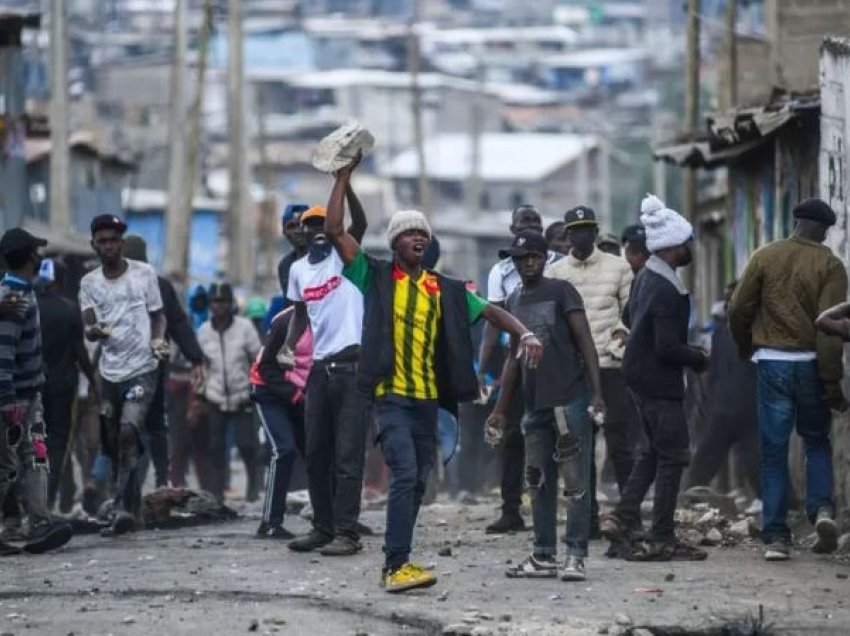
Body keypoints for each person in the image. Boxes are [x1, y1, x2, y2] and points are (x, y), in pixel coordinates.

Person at [326, 158, 543, 593]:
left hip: (429, 403)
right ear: (395, 243)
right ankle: (395, 565)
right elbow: (335, 231)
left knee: (418, 481)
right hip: (390, 399)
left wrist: (525, 333)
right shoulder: (375, 276)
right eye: (410, 233)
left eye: (423, 232)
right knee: (405, 474)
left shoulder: (442, 288)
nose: (419, 237)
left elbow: (492, 311)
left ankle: (399, 561)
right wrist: (343, 179)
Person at [728, 198, 847, 561]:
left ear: (795, 223)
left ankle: (777, 536)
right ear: (824, 230)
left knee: (774, 451)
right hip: (811, 364)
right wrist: (831, 384)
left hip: (773, 363)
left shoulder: (765, 255)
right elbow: (828, 330)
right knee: (816, 442)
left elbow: (737, 308)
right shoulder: (830, 264)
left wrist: (746, 347)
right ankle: (822, 511)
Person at [486, 231, 605, 582]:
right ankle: (543, 555)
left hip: (569, 398)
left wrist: (597, 394)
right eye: (522, 259)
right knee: (537, 481)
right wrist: (500, 407)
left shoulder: (562, 291)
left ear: (545, 258)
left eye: (535, 256)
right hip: (534, 404)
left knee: (576, 482)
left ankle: (575, 555)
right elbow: (512, 357)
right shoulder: (514, 298)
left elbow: (586, 342)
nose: (529, 263)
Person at [600, 195, 709, 562]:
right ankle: (662, 535)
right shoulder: (670, 289)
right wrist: (697, 357)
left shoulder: (647, 276)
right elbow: (666, 346)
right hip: (657, 381)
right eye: (687, 243)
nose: (691, 248)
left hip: (638, 375)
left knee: (651, 451)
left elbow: (633, 319)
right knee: (673, 456)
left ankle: (623, 514)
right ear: (674, 247)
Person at [284, 187, 370, 557]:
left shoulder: (346, 259)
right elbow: (300, 313)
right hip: (320, 368)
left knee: (347, 455)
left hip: (353, 367)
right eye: (311, 225)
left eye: (323, 223)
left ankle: (347, 533)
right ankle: (322, 527)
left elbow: (361, 222)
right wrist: (288, 347)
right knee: (316, 451)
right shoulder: (298, 270)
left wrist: (345, 185)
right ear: (300, 234)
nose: (318, 229)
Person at [547, 206, 636, 537]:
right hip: (575, 372)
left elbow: (632, 312)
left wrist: (622, 336)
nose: (581, 235)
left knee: (620, 445)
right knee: (579, 449)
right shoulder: (556, 274)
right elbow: (553, 322)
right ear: (567, 235)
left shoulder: (619, 267)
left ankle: (628, 516)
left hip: (611, 367)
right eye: (575, 230)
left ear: (595, 233)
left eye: (587, 229)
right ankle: (587, 519)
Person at [80, 215, 167, 536]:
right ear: (94, 245)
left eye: (114, 239)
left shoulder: (144, 274)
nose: (108, 246)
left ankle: (120, 507)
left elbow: (158, 316)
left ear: (122, 242)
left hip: (143, 369)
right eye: (102, 241)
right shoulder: (89, 284)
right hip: (109, 373)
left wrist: (158, 340)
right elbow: (88, 326)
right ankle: (129, 506)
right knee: (112, 439)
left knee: (130, 431)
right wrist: (95, 329)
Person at [479, 204, 561, 534]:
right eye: (524, 221)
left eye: (536, 221)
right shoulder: (500, 271)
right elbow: (492, 322)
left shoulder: (557, 266)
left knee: (553, 434)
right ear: (512, 230)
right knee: (512, 436)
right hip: (514, 359)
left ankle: (550, 506)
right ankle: (510, 509)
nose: (531, 225)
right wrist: (481, 368)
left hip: (553, 359)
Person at [0, 229, 73, 555]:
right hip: (14, 397)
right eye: (36, 252)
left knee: (33, 456)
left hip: (28, 394)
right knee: (8, 463)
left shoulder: (20, 294)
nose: (39, 257)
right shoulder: (12, 300)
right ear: (29, 257)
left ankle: (39, 521)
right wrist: (6, 400)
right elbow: (3, 353)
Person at [122, 235, 204, 489]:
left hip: (120, 369)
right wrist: (196, 357)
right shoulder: (159, 285)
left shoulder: (112, 284)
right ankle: (158, 481)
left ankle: (118, 482)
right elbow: (179, 325)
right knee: (154, 426)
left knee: (123, 425)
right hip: (152, 368)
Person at [687, 282, 759, 496]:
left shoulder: (756, 332)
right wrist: (709, 400)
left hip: (748, 407)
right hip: (722, 406)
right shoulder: (721, 332)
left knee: (756, 460)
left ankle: (785, 505)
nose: (727, 305)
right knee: (707, 456)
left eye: (732, 300)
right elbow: (715, 371)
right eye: (726, 301)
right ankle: (690, 494)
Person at [36, 260, 95, 511]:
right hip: (63, 387)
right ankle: (49, 500)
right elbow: (80, 352)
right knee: (60, 443)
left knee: (36, 442)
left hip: (34, 387)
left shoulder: (28, 307)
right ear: (62, 281)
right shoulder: (70, 309)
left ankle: (35, 501)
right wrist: (94, 380)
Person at [197, 282, 262, 502]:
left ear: (230, 304)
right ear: (209, 305)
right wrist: (199, 396)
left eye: (223, 302)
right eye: (215, 302)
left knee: (246, 444)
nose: (219, 306)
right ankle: (217, 490)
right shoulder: (204, 331)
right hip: (214, 395)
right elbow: (201, 366)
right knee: (216, 446)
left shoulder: (244, 328)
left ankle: (253, 486)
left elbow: (257, 358)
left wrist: (255, 386)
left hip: (241, 394)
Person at [252, 307, 312, 539]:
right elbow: (266, 367)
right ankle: (269, 522)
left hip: (301, 392)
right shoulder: (284, 322)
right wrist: (294, 394)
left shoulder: (329, 315)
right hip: (270, 391)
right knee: (283, 450)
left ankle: (329, 518)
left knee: (316, 452)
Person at [277, 203, 310, 301]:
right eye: (291, 226)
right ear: (284, 232)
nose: (297, 231)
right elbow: (290, 306)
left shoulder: (328, 255)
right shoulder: (285, 265)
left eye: (301, 224)